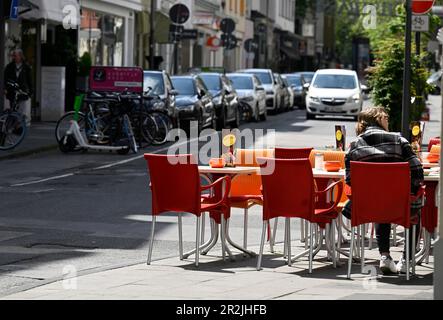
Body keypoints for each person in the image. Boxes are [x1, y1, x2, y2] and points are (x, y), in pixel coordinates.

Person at [343, 106, 424, 275]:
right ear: (378, 119)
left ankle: (385, 256)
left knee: (380, 203)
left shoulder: (354, 146)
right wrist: (411, 190)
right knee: (416, 204)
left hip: (367, 205)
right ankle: (407, 260)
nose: (388, 120)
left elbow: (350, 179)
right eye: (385, 118)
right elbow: (417, 169)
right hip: (398, 203)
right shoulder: (399, 140)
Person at [4, 49, 33, 127]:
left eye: (15, 55)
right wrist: (5, 88)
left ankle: (19, 126)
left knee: (22, 111)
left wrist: (30, 92)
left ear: (20, 56)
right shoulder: (9, 66)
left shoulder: (26, 67)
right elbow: (5, 78)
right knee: (13, 110)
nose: (14, 57)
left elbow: (29, 80)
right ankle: (14, 126)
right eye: (13, 56)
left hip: (22, 92)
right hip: (12, 92)